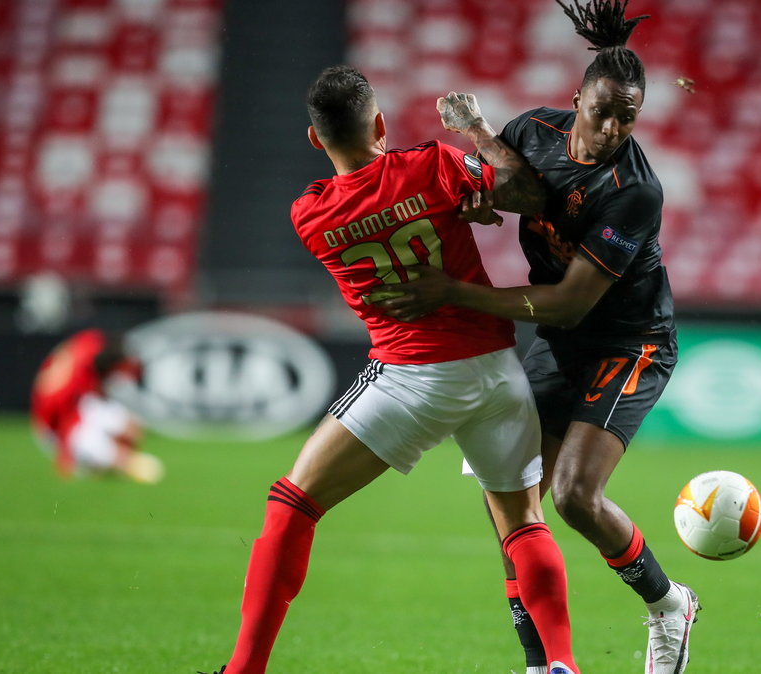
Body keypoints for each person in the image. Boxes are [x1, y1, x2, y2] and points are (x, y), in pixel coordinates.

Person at [198, 65, 579, 674]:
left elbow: (379, 206)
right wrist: (474, 172)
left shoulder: (311, 215)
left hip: (410, 377)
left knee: (291, 505)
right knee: (523, 524)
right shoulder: (433, 167)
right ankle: (562, 664)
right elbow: (525, 193)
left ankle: (242, 670)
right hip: (495, 372)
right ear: (379, 122)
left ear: (314, 140)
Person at [374, 2, 697, 672]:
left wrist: (453, 292)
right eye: (602, 109)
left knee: (576, 495)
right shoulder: (533, 130)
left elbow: (572, 303)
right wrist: (481, 201)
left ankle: (669, 606)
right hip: (560, 340)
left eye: (627, 117)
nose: (611, 128)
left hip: (626, 341)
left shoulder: (633, 191)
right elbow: (520, 195)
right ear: (576, 96)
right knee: (513, 507)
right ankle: (541, 663)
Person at [30, 327, 161, 484]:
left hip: (77, 408)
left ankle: (108, 462)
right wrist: (66, 458)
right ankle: (104, 463)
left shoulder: (90, 346)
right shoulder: (78, 380)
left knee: (131, 427)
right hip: (53, 428)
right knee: (106, 450)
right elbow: (60, 420)